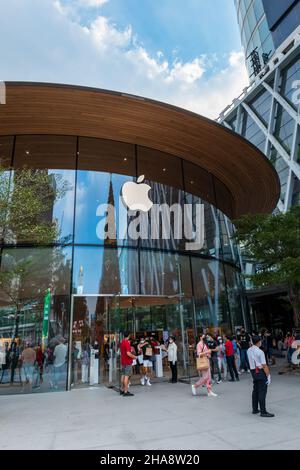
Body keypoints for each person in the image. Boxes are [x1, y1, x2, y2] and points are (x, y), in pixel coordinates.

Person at [247, 335, 274, 417]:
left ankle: (255, 409)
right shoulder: (260, 352)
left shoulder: (249, 350)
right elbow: (264, 365)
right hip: (260, 371)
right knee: (262, 391)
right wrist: (268, 376)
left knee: (255, 390)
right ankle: (263, 412)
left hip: (253, 371)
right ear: (259, 342)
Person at [120, 331, 136, 397]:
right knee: (127, 376)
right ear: (129, 335)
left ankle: (122, 389)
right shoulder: (126, 342)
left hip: (123, 361)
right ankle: (126, 391)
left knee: (123, 375)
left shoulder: (122, 342)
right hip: (127, 361)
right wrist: (134, 357)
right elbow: (128, 353)